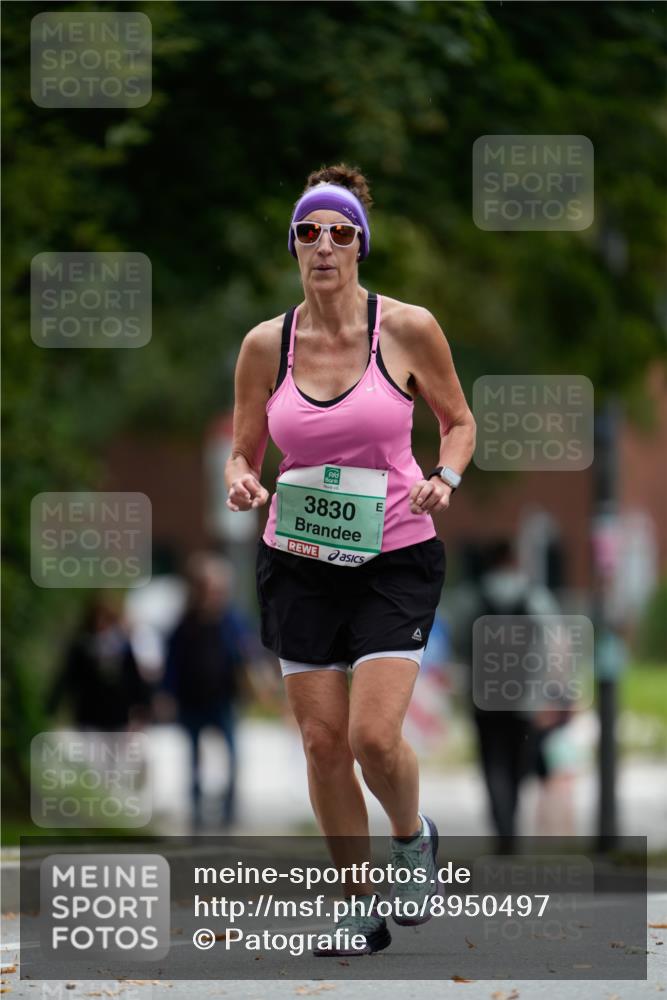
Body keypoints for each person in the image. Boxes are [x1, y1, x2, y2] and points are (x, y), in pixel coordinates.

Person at [224, 163, 476, 955]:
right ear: (293, 246)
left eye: (339, 232)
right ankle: (355, 905)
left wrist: (445, 478)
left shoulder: (404, 329)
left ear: (360, 245)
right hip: (297, 559)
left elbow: (458, 422)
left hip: (393, 554)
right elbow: (242, 453)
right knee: (321, 744)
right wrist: (241, 484)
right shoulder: (266, 345)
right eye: (308, 232)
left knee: (371, 737)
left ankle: (411, 837)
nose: (323, 245)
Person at [450, 538, 562, 853]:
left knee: (492, 762)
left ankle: (502, 826)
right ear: (514, 560)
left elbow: (459, 643)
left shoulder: (471, 597)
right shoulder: (534, 596)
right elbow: (554, 642)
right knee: (518, 763)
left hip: (482, 696)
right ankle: (510, 825)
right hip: (524, 697)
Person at [161, 552, 257, 830]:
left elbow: (246, 654)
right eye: (210, 587)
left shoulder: (231, 621)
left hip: (223, 699)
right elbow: (172, 662)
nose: (215, 594)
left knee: (233, 755)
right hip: (191, 700)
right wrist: (166, 693)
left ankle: (229, 812)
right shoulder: (185, 622)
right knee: (193, 758)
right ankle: (196, 810)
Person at [47, 594, 152, 731]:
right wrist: (52, 705)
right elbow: (68, 677)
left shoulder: (122, 647)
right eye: (97, 618)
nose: (100, 623)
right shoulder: (82, 647)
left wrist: (143, 705)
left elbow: (134, 679)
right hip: (88, 715)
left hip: (117, 717)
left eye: (105, 619)